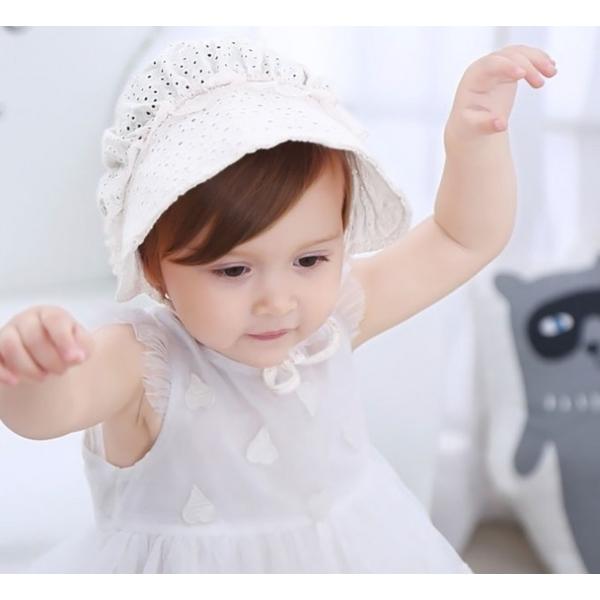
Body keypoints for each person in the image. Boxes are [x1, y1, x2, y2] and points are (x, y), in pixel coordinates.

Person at [0, 36, 557, 573]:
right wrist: (35, 367)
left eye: (309, 260)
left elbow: (461, 239)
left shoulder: (331, 321)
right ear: (153, 266)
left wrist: (474, 142)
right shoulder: (144, 360)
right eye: (233, 270)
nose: (277, 301)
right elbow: (48, 415)